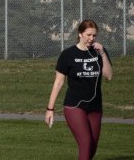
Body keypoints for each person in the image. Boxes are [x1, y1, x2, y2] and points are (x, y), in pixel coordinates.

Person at [45, 19, 114, 160]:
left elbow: (109, 76)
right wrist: (50, 109)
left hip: (95, 106)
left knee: (92, 146)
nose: (91, 39)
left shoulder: (99, 53)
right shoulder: (68, 55)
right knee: (86, 143)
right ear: (80, 34)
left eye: (94, 35)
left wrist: (102, 54)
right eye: (88, 35)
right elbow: (58, 83)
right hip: (74, 106)